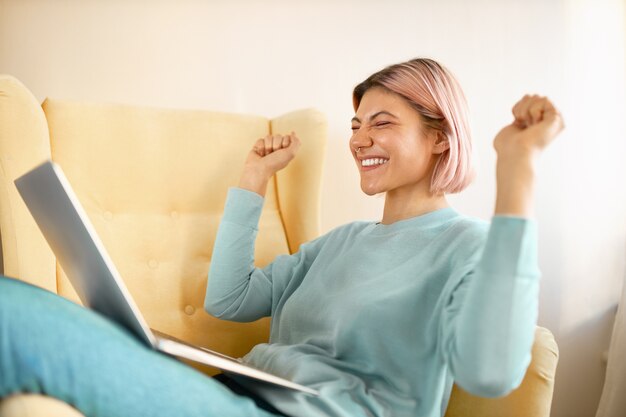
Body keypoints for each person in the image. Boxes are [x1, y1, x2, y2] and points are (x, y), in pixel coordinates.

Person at [0, 58, 564, 417]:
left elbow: (491, 371)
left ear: (441, 138)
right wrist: (253, 182)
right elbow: (230, 299)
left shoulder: (469, 247)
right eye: (356, 125)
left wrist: (517, 178)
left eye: (383, 122)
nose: (360, 139)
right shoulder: (341, 243)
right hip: (238, 390)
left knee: (13, 317)